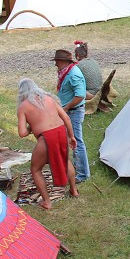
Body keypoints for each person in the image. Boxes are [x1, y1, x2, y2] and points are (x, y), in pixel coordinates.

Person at [17, 78, 79, 208]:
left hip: (46, 137)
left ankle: (47, 201)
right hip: (61, 132)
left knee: (35, 169)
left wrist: (32, 126)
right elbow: (66, 118)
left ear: (21, 92)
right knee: (65, 160)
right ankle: (74, 190)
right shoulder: (49, 99)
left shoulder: (23, 106)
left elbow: (22, 133)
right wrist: (71, 136)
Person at [54, 49, 90, 183]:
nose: (55, 64)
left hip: (74, 112)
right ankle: (77, 167)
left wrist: (66, 107)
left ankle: (82, 174)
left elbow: (80, 96)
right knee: (72, 140)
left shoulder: (74, 74)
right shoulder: (67, 72)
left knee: (76, 141)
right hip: (70, 111)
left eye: (57, 61)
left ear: (63, 61)